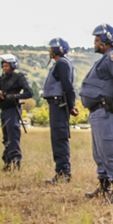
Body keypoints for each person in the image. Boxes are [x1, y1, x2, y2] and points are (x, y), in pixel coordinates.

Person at [79, 24, 113, 203]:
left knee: (110, 149)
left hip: (107, 110)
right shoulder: (105, 59)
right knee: (99, 151)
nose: (94, 43)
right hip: (98, 111)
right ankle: (104, 185)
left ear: (107, 40)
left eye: (97, 39)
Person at [43, 38, 79, 184]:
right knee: (57, 138)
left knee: (60, 138)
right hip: (56, 104)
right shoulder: (58, 64)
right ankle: (61, 172)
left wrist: (71, 105)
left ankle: (63, 173)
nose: (50, 51)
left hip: (60, 104)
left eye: (52, 48)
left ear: (59, 49)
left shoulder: (62, 63)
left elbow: (67, 85)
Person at [0, 54, 33, 170]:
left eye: (6, 66)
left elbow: (29, 93)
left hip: (13, 109)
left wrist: (14, 96)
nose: (4, 68)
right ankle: (7, 163)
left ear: (13, 66)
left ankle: (15, 164)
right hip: (4, 109)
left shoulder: (19, 77)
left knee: (13, 137)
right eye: (3, 66)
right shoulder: (2, 78)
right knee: (6, 138)